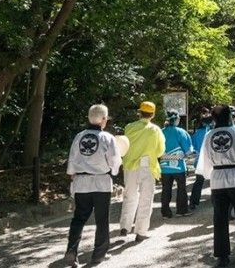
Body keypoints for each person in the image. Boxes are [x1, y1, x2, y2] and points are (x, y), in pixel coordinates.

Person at [196, 105, 235, 267]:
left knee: (220, 217)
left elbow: (205, 158)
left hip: (218, 179)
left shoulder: (210, 135)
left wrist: (210, 174)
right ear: (230, 116)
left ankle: (223, 255)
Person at [63, 104, 122, 267]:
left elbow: (72, 159)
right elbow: (114, 161)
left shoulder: (79, 136)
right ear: (103, 119)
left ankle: (71, 251)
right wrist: (114, 172)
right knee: (102, 220)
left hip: (81, 183)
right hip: (101, 184)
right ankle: (99, 254)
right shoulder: (107, 138)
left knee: (78, 218)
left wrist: (72, 174)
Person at [119, 101, 165, 242]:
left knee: (130, 195)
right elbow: (160, 151)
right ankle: (141, 232)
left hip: (130, 166)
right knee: (146, 198)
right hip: (148, 166)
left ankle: (125, 226)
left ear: (139, 113)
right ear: (152, 114)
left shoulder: (129, 127)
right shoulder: (155, 130)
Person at [160, 111, 193, 219]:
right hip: (179, 167)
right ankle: (181, 210)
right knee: (181, 189)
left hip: (164, 167)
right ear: (176, 119)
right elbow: (188, 151)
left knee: (166, 190)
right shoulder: (181, 132)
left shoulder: (160, 132)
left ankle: (165, 213)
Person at [189, 109, 214, 210]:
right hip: (211, 160)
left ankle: (193, 201)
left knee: (199, 181)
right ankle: (214, 199)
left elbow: (193, 147)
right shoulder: (212, 132)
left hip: (200, 161)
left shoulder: (196, 133)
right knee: (213, 180)